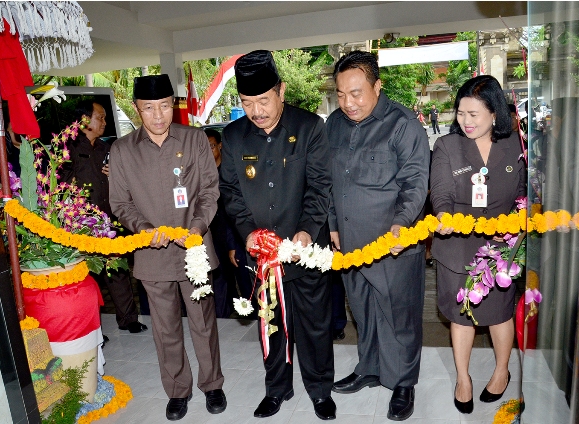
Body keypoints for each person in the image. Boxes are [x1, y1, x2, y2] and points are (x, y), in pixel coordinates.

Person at [218, 50, 336, 420]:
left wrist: (305, 233)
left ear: (281, 90)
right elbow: (231, 193)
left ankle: (320, 391)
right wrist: (247, 233)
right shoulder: (233, 137)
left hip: (303, 250)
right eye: (247, 102)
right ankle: (277, 389)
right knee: (270, 325)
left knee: (315, 324)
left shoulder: (310, 127)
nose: (257, 111)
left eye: (264, 100)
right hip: (263, 257)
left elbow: (320, 187)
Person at [109, 74, 226, 421]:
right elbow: (119, 202)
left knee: (203, 323)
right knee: (165, 327)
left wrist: (197, 227)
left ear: (173, 104)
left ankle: (213, 384)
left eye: (164, 106)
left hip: (193, 251)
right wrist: (144, 229)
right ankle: (177, 390)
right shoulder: (122, 150)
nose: (158, 116)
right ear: (137, 109)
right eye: (149, 108)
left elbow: (209, 190)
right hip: (152, 254)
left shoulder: (194, 140)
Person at [327, 50, 430, 422]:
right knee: (363, 309)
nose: (347, 103)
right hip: (351, 242)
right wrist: (333, 223)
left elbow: (416, 182)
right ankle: (370, 368)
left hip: (392, 244)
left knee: (398, 313)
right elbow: (330, 180)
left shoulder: (403, 124)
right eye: (340, 94)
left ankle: (403, 382)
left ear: (377, 85)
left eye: (356, 93)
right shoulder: (334, 125)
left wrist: (401, 223)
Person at [429, 75, 526, 414]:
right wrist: (443, 217)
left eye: (474, 115)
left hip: (501, 246)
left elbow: (523, 194)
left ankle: (501, 371)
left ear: (495, 115)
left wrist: (515, 224)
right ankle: (463, 377)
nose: (466, 122)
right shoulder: (447, 146)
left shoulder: (516, 144)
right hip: (458, 244)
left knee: (500, 315)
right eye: (460, 113)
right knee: (461, 316)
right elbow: (440, 193)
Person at [60, 100, 147, 335]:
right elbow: (58, 188)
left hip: (109, 221)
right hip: (81, 225)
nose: (105, 122)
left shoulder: (106, 148)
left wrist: (115, 175)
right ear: (85, 120)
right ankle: (91, 328)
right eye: (101, 117)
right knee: (86, 279)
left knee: (117, 270)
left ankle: (129, 319)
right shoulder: (66, 149)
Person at [205, 128, 253, 318]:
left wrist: (233, 243)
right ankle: (224, 316)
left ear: (220, 146)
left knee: (244, 278)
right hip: (214, 235)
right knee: (221, 278)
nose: (209, 152)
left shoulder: (231, 170)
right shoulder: (203, 174)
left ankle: (253, 313)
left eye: (212, 147)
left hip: (235, 234)